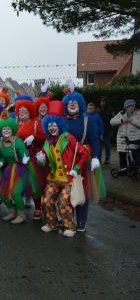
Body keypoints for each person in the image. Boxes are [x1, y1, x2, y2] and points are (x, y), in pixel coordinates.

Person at [36, 101, 89, 237]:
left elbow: (84, 154)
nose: (52, 127)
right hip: (54, 178)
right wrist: (41, 159)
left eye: (54, 125)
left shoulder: (68, 137)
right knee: (46, 200)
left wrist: (76, 169)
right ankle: (52, 223)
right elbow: (44, 161)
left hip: (68, 179)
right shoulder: (47, 141)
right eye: (49, 125)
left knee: (63, 201)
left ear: (59, 125)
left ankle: (70, 226)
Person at [63, 88, 103, 231]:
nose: (72, 104)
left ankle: (81, 220)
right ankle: (70, 218)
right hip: (66, 160)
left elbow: (95, 140)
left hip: (83, 158)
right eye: (70, 102)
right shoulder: (62, 121)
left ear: (80, 103)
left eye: (75, 102)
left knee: (82, 191)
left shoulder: (88, 120)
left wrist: (96, 157)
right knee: (67, 191)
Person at [14, 97, 46, 220]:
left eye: (24, 110)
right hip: (21, 159)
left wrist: (35, 137)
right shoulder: (18, 124)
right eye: (20, 111)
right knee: (20, 184)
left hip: (33, 159)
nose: (21, 112)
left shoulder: (36, 122)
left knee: (34, 185)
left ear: (30, 111)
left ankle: (38, 208)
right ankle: (20, 210)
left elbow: (44, 137)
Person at [0, 118, 31, 224]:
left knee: (15, 193)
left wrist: (25, 158)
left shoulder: (18, 142)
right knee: (1, 192)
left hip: (22, 169)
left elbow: (25, 154)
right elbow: (1, 156)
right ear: (1, 131)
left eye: (8, 129)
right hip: (10, 169)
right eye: (4, 129)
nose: (6, 131)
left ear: (12, 130)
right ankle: (12, 211)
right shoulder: (1, 143)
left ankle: (21, 215)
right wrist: (0, 162)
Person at [110, 99, 140, 171]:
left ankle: (132, 170)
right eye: (129, 106)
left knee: (133, 156)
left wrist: (132, 121)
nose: (131, 108)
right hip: (122, 139)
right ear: (125, 107)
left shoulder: (138, 113)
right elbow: (112, 122)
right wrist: (121, 120)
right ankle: (123, 170)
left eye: (132, 106)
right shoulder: (121, 114)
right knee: (122, 156)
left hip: (134, 139)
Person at [97, 96, 113, 164]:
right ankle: (99, 159)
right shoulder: (97, 110)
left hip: (107, 130)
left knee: (107, 145)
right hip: (99, 131)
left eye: (104, 101)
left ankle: (107, 159)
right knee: (99, 146)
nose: (102, 102)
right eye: (101, 101)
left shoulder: (110, 109)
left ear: (106, 102)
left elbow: (113, 119)